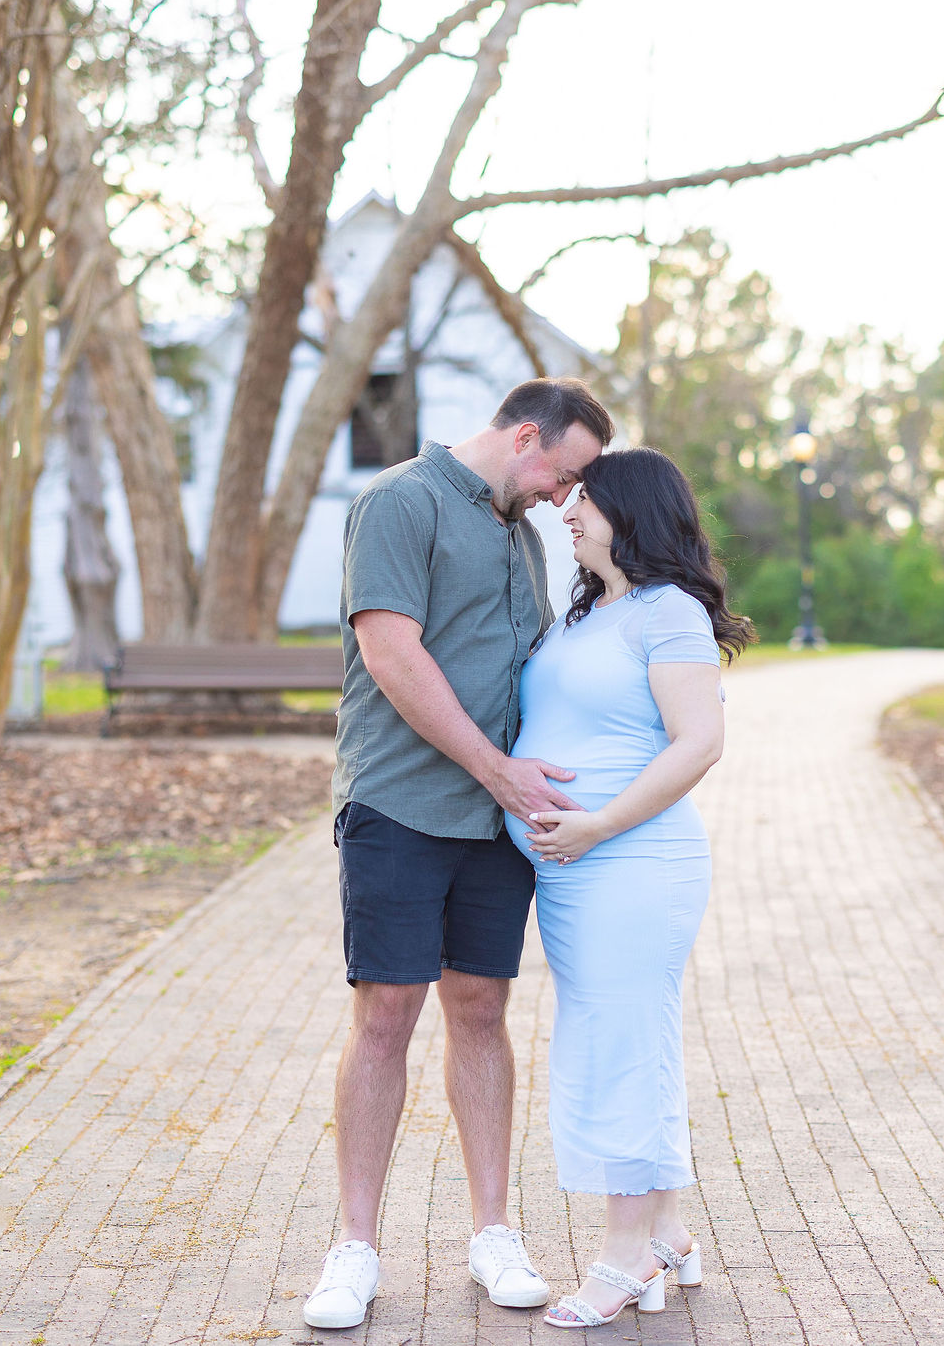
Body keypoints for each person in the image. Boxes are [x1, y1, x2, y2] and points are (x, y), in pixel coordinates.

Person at [302, 378, 615, 1332]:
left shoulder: (520, 533)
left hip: (493, 823)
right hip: (399, 805)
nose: (563, 497)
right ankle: (355, 1247)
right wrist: (500, 770)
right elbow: (393, 655)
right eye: (563, 474)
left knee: (481, 1009)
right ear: (525, 437)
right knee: (386, 1016)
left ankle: (493, 1232)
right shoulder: (400, 501)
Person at [505, 446, 753, 1329]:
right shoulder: (589, 611)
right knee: (626, 1040)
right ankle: (670, 1233)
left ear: (633, 511)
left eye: (586, 500)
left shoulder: (669, 610)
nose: (567, 513)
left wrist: (599, 823)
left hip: (635, 864)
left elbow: (700, 742)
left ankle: (624, 1253)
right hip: (578, 874)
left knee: (619, 1048)